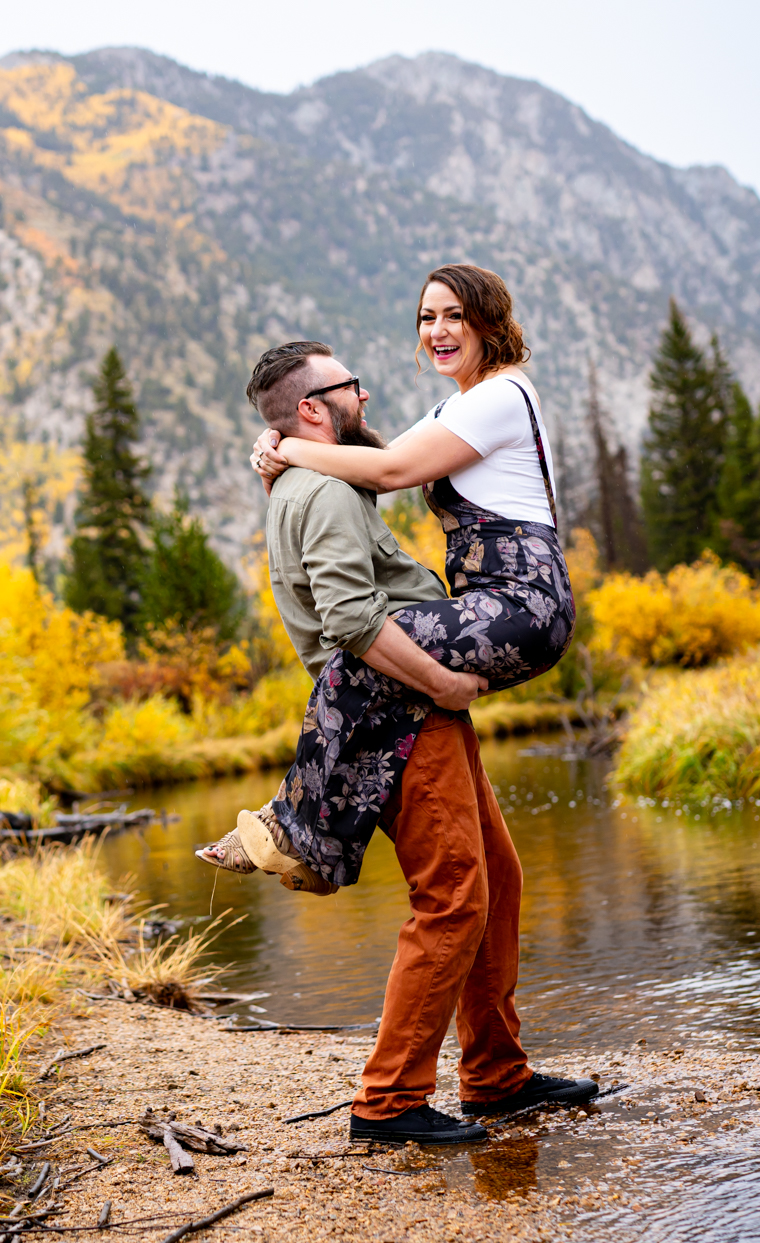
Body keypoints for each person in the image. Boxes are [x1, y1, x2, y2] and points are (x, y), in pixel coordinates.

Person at [207, 278, 594, 1147]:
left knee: (498, 877)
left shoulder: (323, 473)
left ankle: (497, 1076)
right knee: (456, 895)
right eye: (347, 388)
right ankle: (389, 1101)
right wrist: (446, 683)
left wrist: (282, 451)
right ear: (313, 409)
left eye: (453, 315)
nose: (367, 392)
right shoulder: (329, 487)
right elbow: (350, 619)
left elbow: (383, 476)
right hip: (404, 709)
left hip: (415, 694)